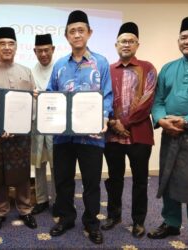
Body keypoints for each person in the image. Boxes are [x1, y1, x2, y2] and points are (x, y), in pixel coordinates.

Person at [47, 10, 113, 244]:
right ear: (66, 36)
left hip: (92, 136)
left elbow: (107, 96)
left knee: (91, 183)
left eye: (80, 30)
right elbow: (50, 95)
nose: (76, 34)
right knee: (63, 180)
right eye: (72, 31)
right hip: (63, 137)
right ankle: (66, 218)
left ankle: (91, 222)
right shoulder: (59, 66)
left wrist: (104, 118)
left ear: (89, 33)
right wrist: (43, 102)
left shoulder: (101, 63)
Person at [148, 15, 188, 250]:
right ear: (178, 40)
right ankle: (171, 223)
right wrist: (162, 119)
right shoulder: (168, 68)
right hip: (171, 135)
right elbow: (158, 99)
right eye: (183, 37)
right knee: (168, 181)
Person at [101, 22, 157, 238]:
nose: (126, 44)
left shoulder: (147, 67)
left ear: (137, 44)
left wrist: (126, 123)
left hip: (140, 135)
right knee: (114, 178)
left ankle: (138, 221)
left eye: (131, 41)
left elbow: (148, 98)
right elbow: (101, 97)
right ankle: (113, 215)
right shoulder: (108, 70)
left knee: (140, 180)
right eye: (123, 41)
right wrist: (114, 122)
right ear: (116, 45)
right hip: (112, 135)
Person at [0, 27, 37, 232]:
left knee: (23, 173)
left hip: (22, 133)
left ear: (16, 47)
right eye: (2, 44)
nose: (7, 47)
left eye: (11, 44)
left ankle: (25, 209)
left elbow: (33, 101)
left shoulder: (26, 71)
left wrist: (26, 123)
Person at [31, 34, 56, 215]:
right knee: (39, 164)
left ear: (53, 49)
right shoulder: (30, 72)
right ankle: (41, 200)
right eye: (40, 51)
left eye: (47, 50)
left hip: (56, 125)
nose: (44, 54)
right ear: (35, 51)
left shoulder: (60, 68)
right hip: (37, 123)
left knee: (57, 164)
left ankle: (57, 200)